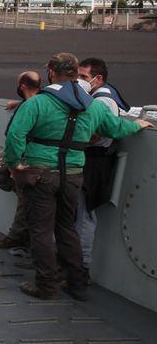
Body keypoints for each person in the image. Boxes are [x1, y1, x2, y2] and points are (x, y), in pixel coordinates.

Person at [4, 53, 152, 301]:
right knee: (67, 229)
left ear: (51, 72)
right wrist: (138, 124)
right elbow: (116, 128)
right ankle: (76, 284)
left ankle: (46, 285)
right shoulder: (92, 105)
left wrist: (14, 165)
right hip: (73, 175)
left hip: (41, 174)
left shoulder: (38, 103)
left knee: (40, 231)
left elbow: (15, 137)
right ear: (75, 74)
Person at [76, 57, 131, 282]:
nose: (80, 81)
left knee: (84, 215)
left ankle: (81, 268)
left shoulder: (102, 101)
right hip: (89, 161)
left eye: (84, 77)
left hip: (94, 163)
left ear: (98, 79)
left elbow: (100, 134)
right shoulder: (98, 97)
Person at [0, 71, 41, 249]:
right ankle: (18, 189)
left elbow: (19, 133)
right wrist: (18, 104)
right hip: (14, 152)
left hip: (26, 154)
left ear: (22, 86)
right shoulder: (30, 102)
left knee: (24, 196)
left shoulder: (40, 102)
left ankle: (16, 235)